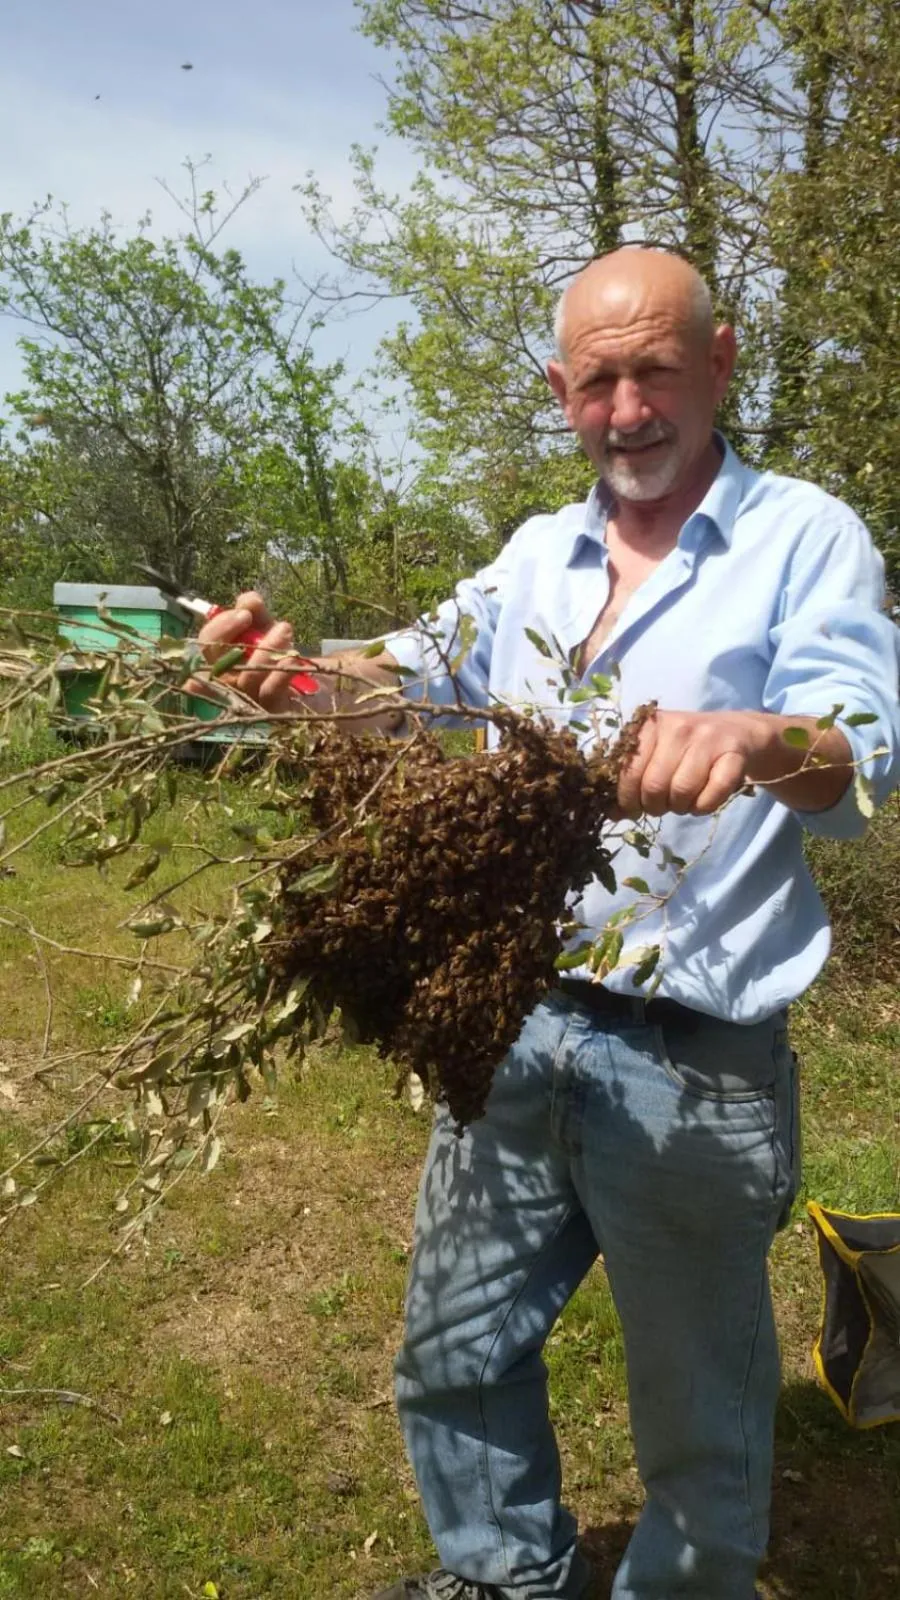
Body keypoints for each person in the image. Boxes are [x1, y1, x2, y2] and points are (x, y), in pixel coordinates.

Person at [198, 248, 900, 1600]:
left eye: (656, 372)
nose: (627, 410)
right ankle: (503, 1574)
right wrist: (291, 677)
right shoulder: (535, 555)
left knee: (699, 1415)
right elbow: (405, 688)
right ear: (559, 390)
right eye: (596, 382)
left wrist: (756, 735)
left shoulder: (805, 537)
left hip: (695, 1064)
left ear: (721, 363)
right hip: (512, 1017)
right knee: (455, 1351)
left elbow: (858, 743)